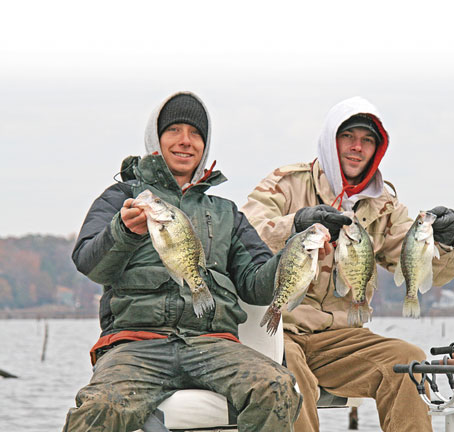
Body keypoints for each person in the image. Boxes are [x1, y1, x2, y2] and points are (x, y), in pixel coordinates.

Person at [63, 91, 332, 432]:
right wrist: (124, 232)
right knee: (99, 408)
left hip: (213, 345)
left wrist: (297, 252)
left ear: (205, 146)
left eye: (196, 133)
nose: (185, 141)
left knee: (276, 387)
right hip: (134, 346)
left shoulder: (226, 213)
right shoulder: (121, 198)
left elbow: (256, 285)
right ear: (155, 139)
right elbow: (89, 263)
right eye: (174, 130)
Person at [241, 96, 454, 432]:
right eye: (348, 136)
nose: (357, 147)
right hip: (280, 331)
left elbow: (424, 267)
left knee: (408, 361)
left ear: (377, 150)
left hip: (341, 339)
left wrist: (445, 241)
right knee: (291, 377)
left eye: (367, 140)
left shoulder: (384, 206)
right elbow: (244, 236)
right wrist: (296, 223)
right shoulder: (286, 183)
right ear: (331, 140)